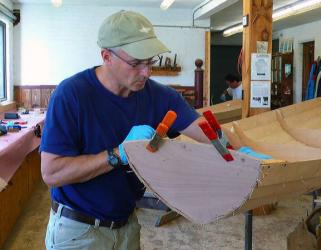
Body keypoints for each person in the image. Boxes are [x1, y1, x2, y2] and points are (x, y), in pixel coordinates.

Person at [40, 10, 209, 250]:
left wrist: (231, 144)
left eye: (150, 61)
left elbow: (202, 128)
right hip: (78, 231)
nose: (147, 72)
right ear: (106, 56)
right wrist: (118, 154)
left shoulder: (159, 96)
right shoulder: (71, 96)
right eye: (136, 63)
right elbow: (52, 174)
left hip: (127, 226)